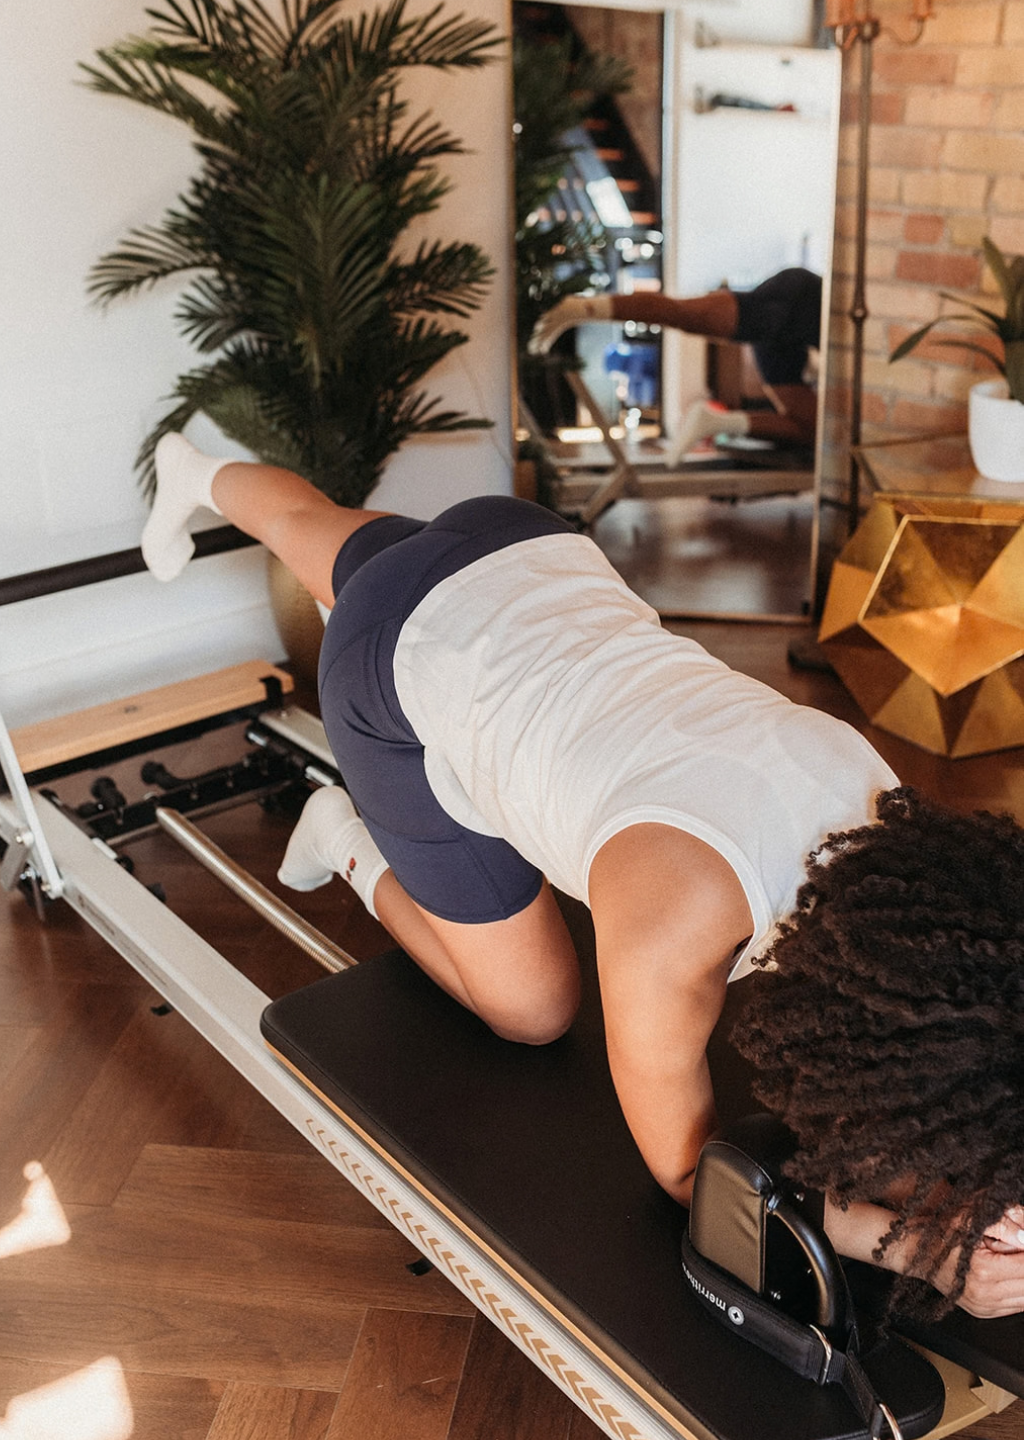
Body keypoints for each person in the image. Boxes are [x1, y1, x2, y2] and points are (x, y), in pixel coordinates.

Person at [142, 433, 1024, 1320]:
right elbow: (693, 1174)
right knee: (532, 1011)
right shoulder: (676, 922)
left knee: (309, 524)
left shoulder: (890, 825)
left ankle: (193, 470)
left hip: (525, 555)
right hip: (393, 666)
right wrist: (927, 1250)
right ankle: (343, 837)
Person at [530, 267, 822, 464]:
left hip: (794, 335)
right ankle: (579, 308)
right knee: (684, 314)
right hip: (801, 301)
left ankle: (715, 422)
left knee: (813, 429)